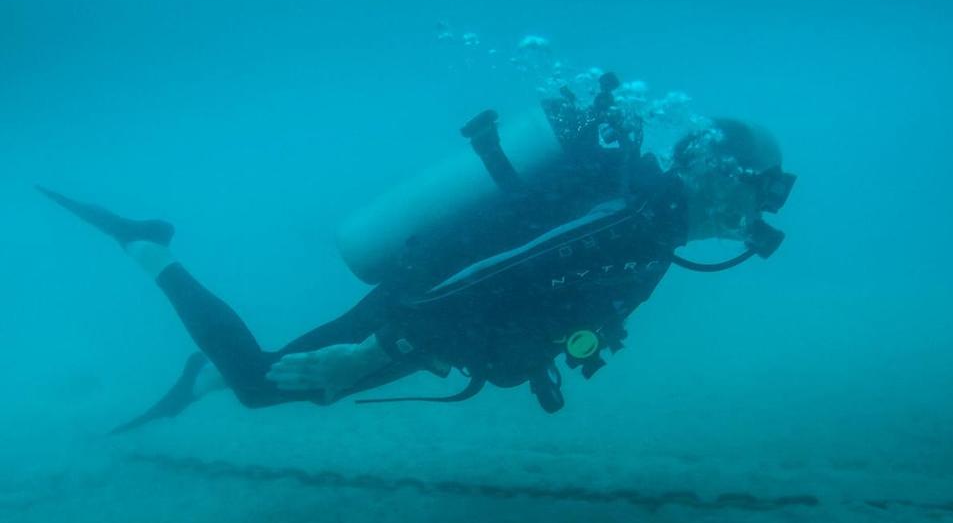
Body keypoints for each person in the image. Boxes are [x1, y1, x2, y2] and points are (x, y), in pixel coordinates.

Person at [38, 73, 795, 430]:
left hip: (446, 328)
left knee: (284, 385)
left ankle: (209, 373)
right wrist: (379, 348)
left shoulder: (650, 229)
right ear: (713, 174)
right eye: (756, 194)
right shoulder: (636, 214)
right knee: (266, 384)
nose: (751, 217)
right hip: (426, 308)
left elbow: (561, 293)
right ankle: (146, 247)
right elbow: (492, 269)